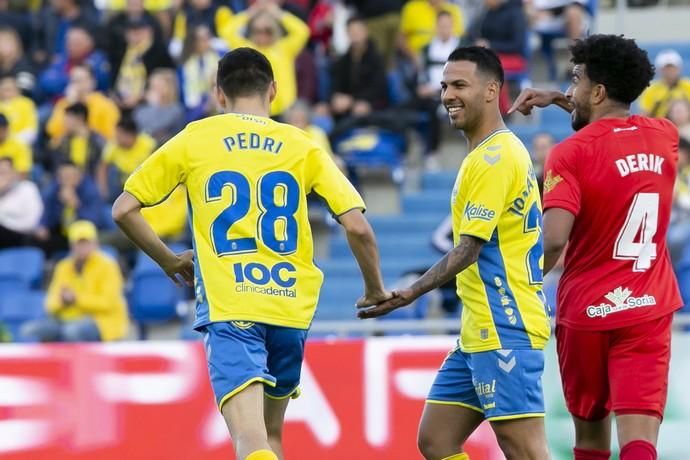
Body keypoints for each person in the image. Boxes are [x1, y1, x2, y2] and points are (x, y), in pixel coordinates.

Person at [111, 47, 390, 460]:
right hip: (289, 308)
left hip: (231, 305)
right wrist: (374, 289)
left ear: (218, 94)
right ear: (273, 90)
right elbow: (358, 227)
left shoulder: (196, 137)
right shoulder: (303, 143)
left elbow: (124, 209)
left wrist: (169, 260)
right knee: (271, 437)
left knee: (250, 441)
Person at [359, 47, 550, 460]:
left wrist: (410, 293)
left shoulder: (497, 156)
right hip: (478, 328)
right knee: (437, 440)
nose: (448, 94)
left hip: (505, 324)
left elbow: (468, 248)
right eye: (445, 85)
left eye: (460, 84)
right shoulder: (483, 154)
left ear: (491, 91)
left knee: (526, 450)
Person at [509, 34, 683, 460]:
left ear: (598, 90)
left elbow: (553, 240)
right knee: (640, 442)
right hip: (646, 307)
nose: (571, 90)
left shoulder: (569, 154)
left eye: (576, 80)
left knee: (589, 444)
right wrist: (564, 100)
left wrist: (523, 284)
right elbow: (615, 126)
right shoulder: (666, 136)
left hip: (588, 314)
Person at [21, 220, 129, 342]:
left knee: (72, 332)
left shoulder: (108, 265)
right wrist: (62, 301)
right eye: (78, 243)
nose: (82, 247)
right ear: (71, 245)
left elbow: (107, 303)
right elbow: (50, 303)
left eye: (86, 242)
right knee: (30, 331)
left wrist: (76, 299)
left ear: (95, 243)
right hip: (67, 318)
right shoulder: (63, 266)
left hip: (101, 321)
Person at [220, 1, 310, 117]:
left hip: (285, 111)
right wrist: (250, 13)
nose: (262, 35)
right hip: (256, 111)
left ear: (274, 31)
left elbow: (303, 31)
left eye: (267, 31)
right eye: (258, 31)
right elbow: (227, 31)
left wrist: (278, 13)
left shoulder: (284, 48)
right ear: (252, 31)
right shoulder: (247, 50)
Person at [36, 160, 104, 257]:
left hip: (83, 235)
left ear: (79, 176)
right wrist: (42, 226)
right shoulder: (53, 191)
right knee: (34, 240)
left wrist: (76, 205)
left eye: (71, 176)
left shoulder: (90, 190)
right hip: (61, 234)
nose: (67, 180)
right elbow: (46, 217)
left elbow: (94, 221)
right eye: (63, 177)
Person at [46, 64, 121, 145]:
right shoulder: (65, 103)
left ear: (92, 82)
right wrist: (71, 106)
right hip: (64, 152)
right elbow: (53, 131)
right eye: (73, 81)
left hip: (93, 151)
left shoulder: (105, 105)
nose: (76, 85)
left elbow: (111, 137)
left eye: (80, 80)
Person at [97, 117, 156, 201]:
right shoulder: (113, 146)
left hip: (144, 183)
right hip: (123, 186)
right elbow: (103, 167)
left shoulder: (148, 144)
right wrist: (103, 188)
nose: (116, 138)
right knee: (113, 172)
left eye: (119, 135)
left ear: (129, 135)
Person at [48, 102, 105, 176]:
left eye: (68, 119)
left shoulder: (97, 141)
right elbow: (52, 162)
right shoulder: (63, 140)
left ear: (80, 118)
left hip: (90, 180)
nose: (65, 123)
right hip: (65, 180)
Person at [133, 69, 186, 144]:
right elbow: (141, 129)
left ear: (169, 88)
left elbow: (156, 128)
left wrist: (155, 105)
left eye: (160, 86)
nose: (156, 90)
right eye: (153, 87)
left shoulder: (176, 109)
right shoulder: (142, 110)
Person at [0, 157, 43, 249]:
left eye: (4, 172)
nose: (1, 176)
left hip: (23, 237)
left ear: (14, 172)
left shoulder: (27, 188)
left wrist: (5, 224)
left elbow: (32, 222)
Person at [639, 49, 690, 119]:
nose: (670, 71)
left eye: (672, 68)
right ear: (659, 70)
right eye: (666, 68)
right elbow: (644, 115)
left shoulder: (688, 86)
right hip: (660, 127)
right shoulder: (651, 90)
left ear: (679, 68)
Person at [0, 73, 38, 145]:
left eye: (9, 89)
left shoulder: (26, 104)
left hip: (20, 143)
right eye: (4, 89)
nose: (6, 92)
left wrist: (13, 142)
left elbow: (31, 130)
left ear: (17, 90)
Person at [0, 113, 32, 177]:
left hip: (13, 182)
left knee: (28, 186)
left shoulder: (19, 144)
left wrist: (4, 180)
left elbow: (23, 172)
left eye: (2, 128)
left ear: (6, 128)